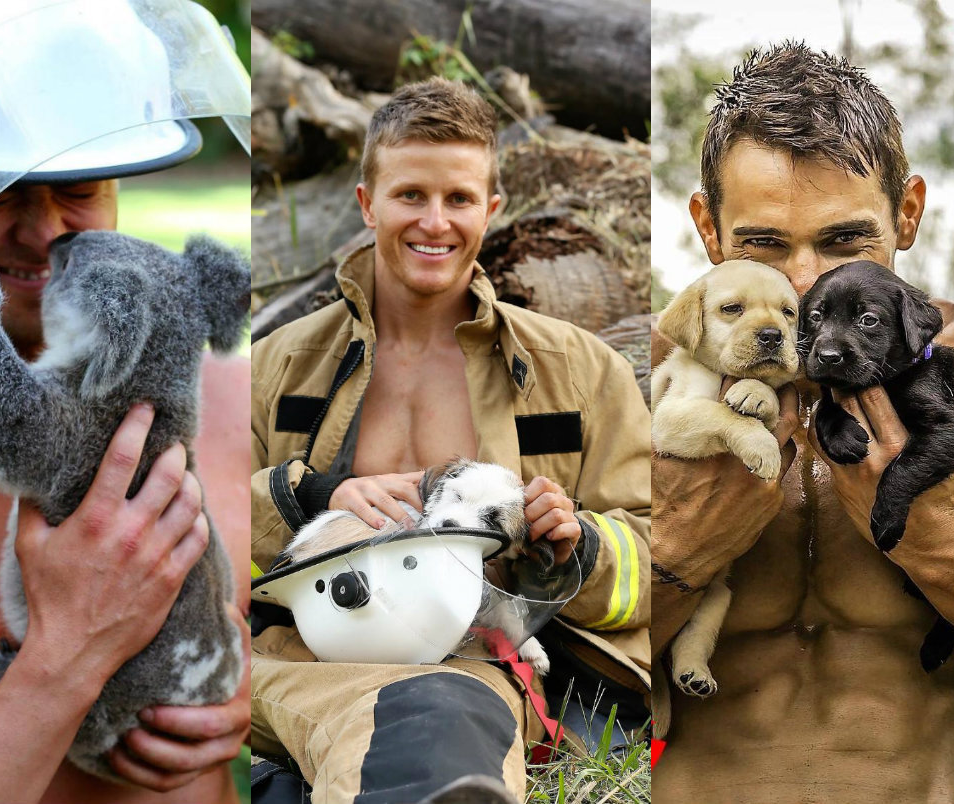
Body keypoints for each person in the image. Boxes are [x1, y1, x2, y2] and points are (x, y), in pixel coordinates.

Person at [0, 1, 261, 801]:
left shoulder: (230, 395)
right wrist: (62, 666)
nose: (45, 233)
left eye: (78, 184)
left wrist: (248, 686)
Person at [644, 42, 954, 803]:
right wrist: (681, 555)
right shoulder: (660, 381)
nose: (805, 285)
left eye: (843, 240)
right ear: (706, 226)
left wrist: (941, 545)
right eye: (763, 244)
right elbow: (564, 670)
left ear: (908, 213)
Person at [245, 76, 656, 804]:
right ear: (367, 202)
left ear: (492, 210)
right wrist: (310, 495)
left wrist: (577, 549)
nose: (435, 222)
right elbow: (201, 518)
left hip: (478, 667)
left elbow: (662, 558)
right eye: (410, 195)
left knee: (437, 720)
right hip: (294, 659)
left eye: (460, 199)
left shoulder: (581, 373)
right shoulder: (278, 365)